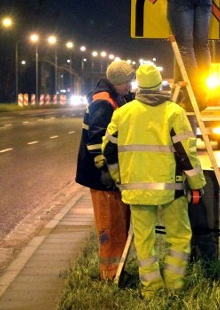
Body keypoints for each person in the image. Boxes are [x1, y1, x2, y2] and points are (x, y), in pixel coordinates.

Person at [102, 63, 205, 298]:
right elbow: (186, 155)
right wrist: (197, 184)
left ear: (138, 86)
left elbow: (108, 150)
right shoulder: (174, 112)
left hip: (136, 190)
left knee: (144, 241)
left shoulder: (123, 113)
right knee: (179, 237)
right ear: (160, 84)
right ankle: (174, 285)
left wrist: (120, 179)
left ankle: (151, 289)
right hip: (173, 189)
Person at [74, 59, 135, 280]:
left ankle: (117, 270)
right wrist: (105, 169)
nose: (130, 86)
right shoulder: (103, 102)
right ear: (117, 82)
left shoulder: (115, 98)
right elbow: (96, 141)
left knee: (119, 222)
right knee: (110, 224)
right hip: (101, 176)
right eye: (127, 82)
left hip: (108, 174)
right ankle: (110, 274)